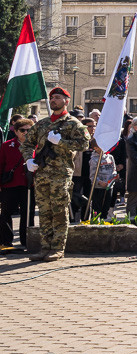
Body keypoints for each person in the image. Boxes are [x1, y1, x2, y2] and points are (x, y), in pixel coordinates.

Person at [21, 87, 90, 261]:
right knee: (44, 212)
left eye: (57, 97)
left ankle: (58, 248)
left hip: (61, 174)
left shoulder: (73, 123)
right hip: (42, 173)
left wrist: (61, 142)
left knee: (59, 211)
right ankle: (45, 248)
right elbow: (27, 144)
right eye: (52, 98)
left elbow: (84, 144)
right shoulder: (42, 124)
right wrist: (29, 159)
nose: (53, 100)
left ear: (66, 101)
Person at [1, 118, 34, 250]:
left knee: (28, 213)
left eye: (29, 130)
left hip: (29, 185)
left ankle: (27, 241)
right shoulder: (7, 145)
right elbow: (1, 165)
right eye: (22, 130)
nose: (26, 132)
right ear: (16, 131)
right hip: (10, 184)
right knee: (6, 213)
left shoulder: (37, 146)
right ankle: (6, 242)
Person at [87, 138, 118, 219]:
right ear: (96, 148)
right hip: (99, 187)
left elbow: (114, 169)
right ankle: (95, 221)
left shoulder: (110, 157)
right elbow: (92, 175)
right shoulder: (94, 159)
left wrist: (114, 176)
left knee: (106, 206)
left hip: (109, 186)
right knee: (97, 207)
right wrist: (99, 182)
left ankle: (104, 220)